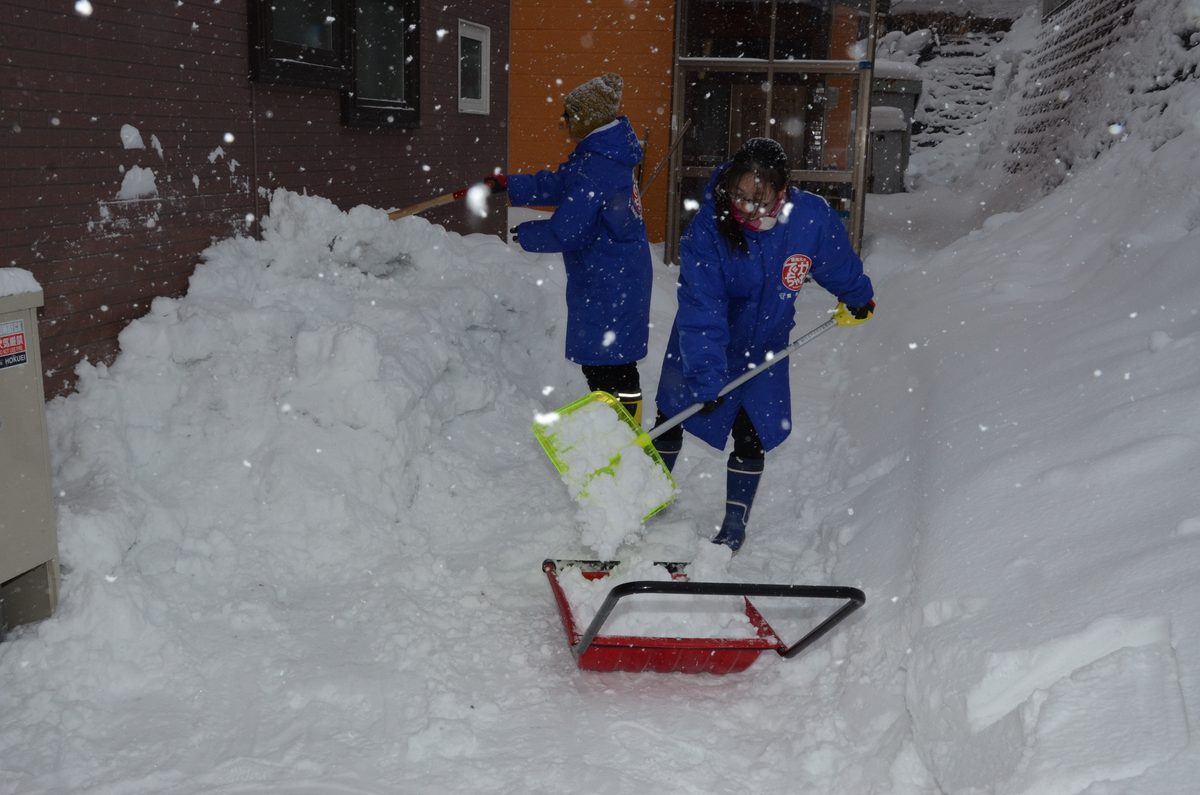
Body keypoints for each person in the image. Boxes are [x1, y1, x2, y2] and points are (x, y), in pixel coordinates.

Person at [652, 137, 875, 551]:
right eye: (738, 194)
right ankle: (644, 497)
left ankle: (735, 521)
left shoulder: (810, 219)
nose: (745, 207)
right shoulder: (709, 227)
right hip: (705, 340)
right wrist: (706, 372)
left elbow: (837, 262)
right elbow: (703, 306)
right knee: (672, 412)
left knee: (751, 430)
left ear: (781, 189)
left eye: (758, 197)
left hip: (767, 345)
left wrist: (858, 296)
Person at [484, 73, 653, 423]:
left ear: (589, 117)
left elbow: (569, 230)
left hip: (610, 282)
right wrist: (509, 184)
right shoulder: (600, 155)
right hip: (617, 276)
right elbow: (562, 183)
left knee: (608, 367)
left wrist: (524, 234)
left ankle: (623, 435)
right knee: (613, 363)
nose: (564, 123)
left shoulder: (599, 166)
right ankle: (620, 429)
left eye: (570, 115)